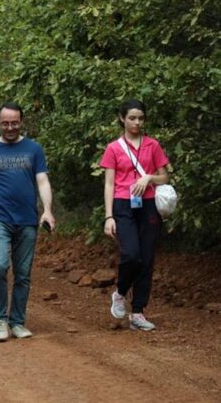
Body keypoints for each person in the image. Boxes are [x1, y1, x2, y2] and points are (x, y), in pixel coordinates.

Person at [0, 102, 55, 342]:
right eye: (5, 123)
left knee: (23, 273)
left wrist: (47, 211)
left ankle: (17, 321)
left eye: (14, 122)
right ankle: (0, 319)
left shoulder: (34, 149)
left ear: (21, 122)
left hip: (27, 219)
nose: (10, 127)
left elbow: (42, 181)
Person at [101, 99, 169, 331]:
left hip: (149, 205)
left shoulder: (153, 145)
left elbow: (165, 177)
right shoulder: (113, 148)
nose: (137, 122)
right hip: (123, 204)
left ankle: (138, 312)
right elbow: (109, 183)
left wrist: (148, 178)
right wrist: (109, 216)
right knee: (131, 255)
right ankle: (120, 293)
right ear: (122, 119)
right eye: (132, 118)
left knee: (147, 259)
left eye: (140, 118)